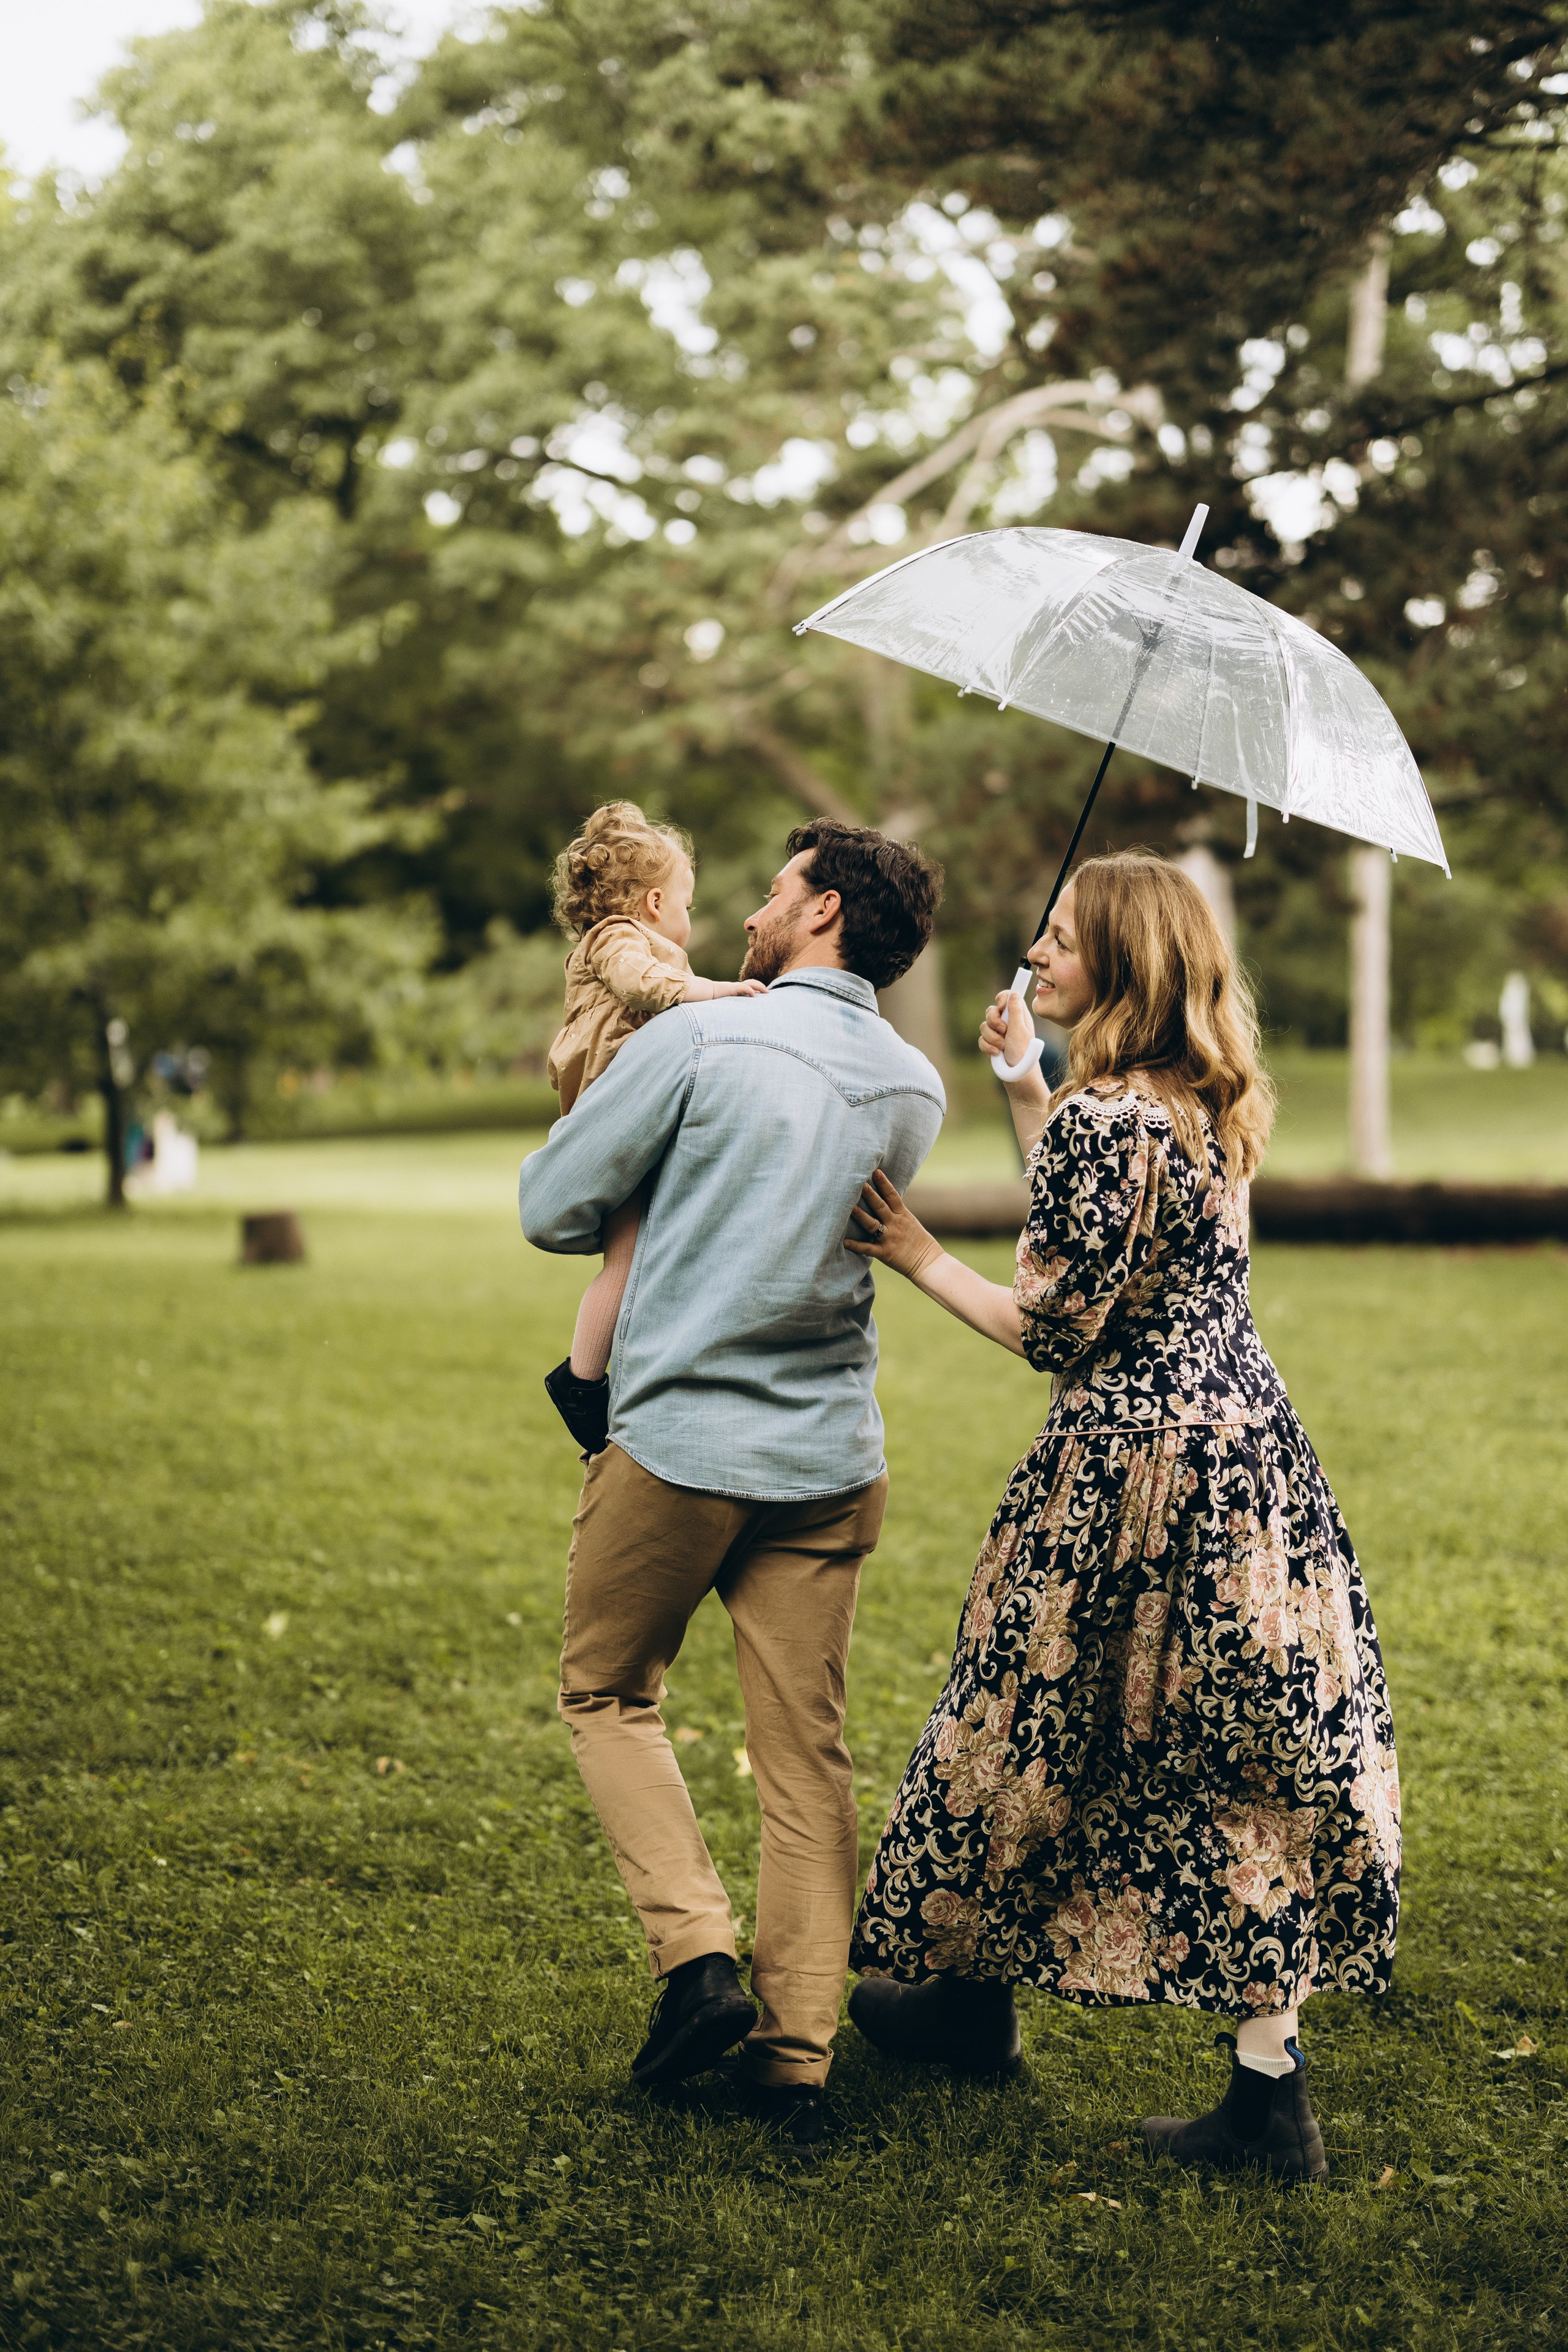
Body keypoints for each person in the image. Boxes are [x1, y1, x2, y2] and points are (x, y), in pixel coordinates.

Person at [842, 853, 1400, 2184]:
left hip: (1126, 1480)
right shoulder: (1207, 1106)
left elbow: (1054, 1324)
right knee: (1239, 1761)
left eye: (1059, 940)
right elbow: (1104, 1237)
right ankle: (1256, 2089)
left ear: (1122, 961)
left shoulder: (1112, 1122)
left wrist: (916, 1251)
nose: (1033, 951)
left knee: (1022, 1718)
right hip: (1248, 1467)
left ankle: (967, 1997)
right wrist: (1027, 1084)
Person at [518, 820, 946, 2148]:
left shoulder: (697, 1038)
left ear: (821, 912)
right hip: (827, 1459)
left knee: (605, 1691)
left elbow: (553, 1203)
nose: (752, 913)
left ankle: (698, 1960)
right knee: (804, 1759)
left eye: (773, 892)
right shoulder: (914, 1083)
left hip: (680, 1445)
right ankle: (793, 2063)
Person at [541, 802, 766, 1457]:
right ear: (657, 902)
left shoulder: (651, 953)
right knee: (627, 1257)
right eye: (689, 905)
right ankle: (582, 1381)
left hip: (637, 1114)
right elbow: (645, 988)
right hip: (614, 1113)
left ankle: (631, 1375)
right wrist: (719, 990)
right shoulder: (618, 940)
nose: (689, 920)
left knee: (644, 1253)